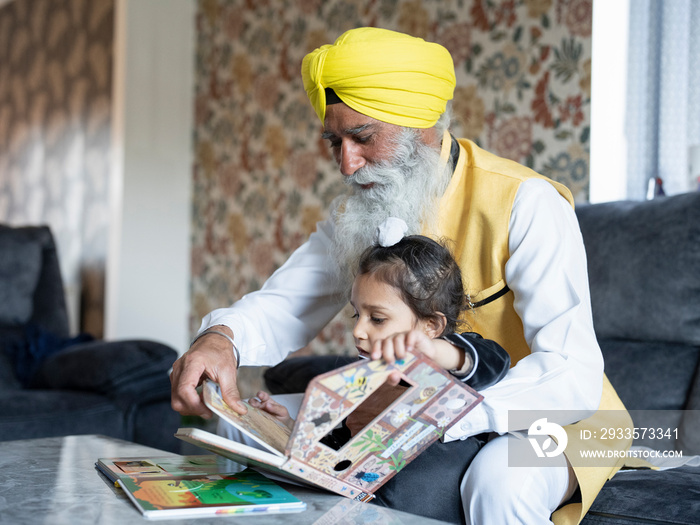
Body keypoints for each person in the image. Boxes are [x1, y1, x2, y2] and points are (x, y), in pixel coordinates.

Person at [171, 27, 631, 525]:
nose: (347, 163)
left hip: (558, 415)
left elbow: (571, 372)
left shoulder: (528, 202)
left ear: (425, 126)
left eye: (363, 138)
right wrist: (221, 339)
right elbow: (288, 301)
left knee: (499, 481)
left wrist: (438, 419)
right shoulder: (363, 211)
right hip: (424, 409)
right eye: (335, 142)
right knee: (239, 425)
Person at [225, 219, 511, 523]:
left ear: (432, 326)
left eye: (377, 319)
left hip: (422, 507)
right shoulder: (363, 382)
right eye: (356, 314)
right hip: (366, 504)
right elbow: (337, 449)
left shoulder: (454, 363)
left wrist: (438, 351)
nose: (358, 330)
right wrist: (290, 429)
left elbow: (494, 361)